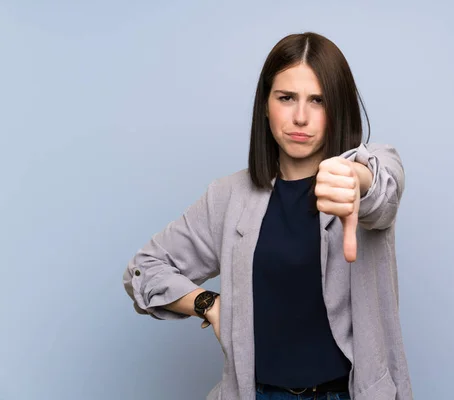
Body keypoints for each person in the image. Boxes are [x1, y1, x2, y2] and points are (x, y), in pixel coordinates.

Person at [123, 32, 413, 400]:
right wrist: (208, 305)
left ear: (337, 108)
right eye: (286, 98)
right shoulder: (229, 197)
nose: (301, 117)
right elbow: (142, 270)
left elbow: (384, 190)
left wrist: (357, 180)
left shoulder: (368, 170)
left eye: (318, 101)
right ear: (265, 104)